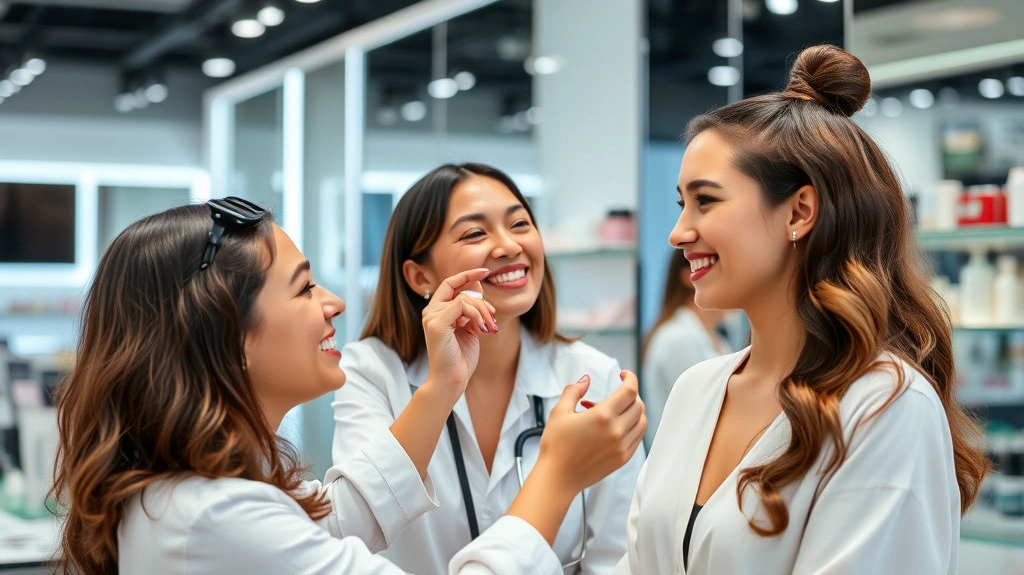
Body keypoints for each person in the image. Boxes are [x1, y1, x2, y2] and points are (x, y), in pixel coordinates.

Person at [49, 198, 646, 575]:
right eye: (305, 288)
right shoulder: (218, 517)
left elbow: (334, 517)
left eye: (521, 221)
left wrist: (442, 385)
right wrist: (556, 478)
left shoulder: (199, 496)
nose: (333, 303)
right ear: (229, 334)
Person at [614, 45, 990, 575]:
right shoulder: (696, 389)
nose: (679, 233)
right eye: (682, 204)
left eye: (706, 201)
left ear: (800, 211)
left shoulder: (885, 406)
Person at [333, 163, 646, 574]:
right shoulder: (373, 371)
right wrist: (440, 389)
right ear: (419, 275)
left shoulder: (595, 377)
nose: (509, 246)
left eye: (520, 223)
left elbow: (620, 560)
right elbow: (350, 532)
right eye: (475, 233)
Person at [641, 249, 731, 446]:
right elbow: (704, 418)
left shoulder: (716, 339)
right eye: (722, 269)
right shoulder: (678, 339)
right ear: (690, 276)